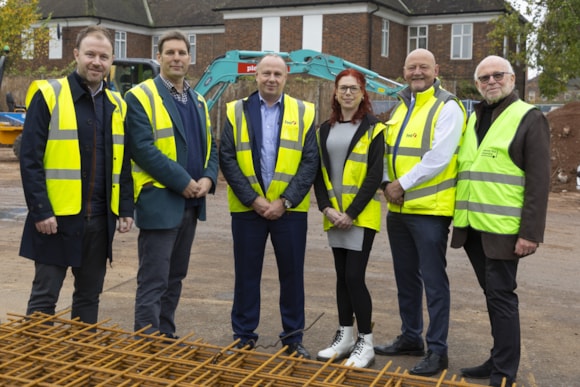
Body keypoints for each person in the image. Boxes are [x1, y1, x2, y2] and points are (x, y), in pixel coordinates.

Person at [19, 25, 134, 324]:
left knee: (88, 298)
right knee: (44, 298)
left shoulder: (116, 104)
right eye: (90, 54)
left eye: (104, 56)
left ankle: (80, 362)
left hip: (99, 221)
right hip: (55, 220)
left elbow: (122, 161)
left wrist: (125, 208)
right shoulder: (49, 95)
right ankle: (36, 364)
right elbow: (30, 160)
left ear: (111, 61)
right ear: (76, 55)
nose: (96, 62)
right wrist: (41, 210)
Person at [451, 55, 550, 387]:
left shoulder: (528, 117)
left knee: (502, 297)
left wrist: (530, 233)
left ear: (512, 79)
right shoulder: (475, 115)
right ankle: (497, 358)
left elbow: (539, 180)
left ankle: (504, 371)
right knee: (493, 296)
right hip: (475, 227)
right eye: (483, 78)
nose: (491, 81)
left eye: (497, 75)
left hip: (505, 231)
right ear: (477, 85)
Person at [374, 48, 466, 376]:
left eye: (423, 67)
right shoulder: (400, 108)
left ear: (435, 69)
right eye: (411, 66)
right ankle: (411, 337)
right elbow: (387, 151)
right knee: (406, 278)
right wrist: (386, 183)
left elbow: (439, 156)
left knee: (433, 281)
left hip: (429, 210)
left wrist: (401, 184)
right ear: (403, 71)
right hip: (398, 208)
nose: (417, 72)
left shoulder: (448, 106)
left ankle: (437, 350)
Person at [219, 53, 318, 358]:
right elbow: (227, 157)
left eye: (277, 74)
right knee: (246, 275)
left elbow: (310, 160)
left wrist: (285, 201)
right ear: (256, 76)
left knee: (292, 276)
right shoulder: (236, 111)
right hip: (249, 211)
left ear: (286, 77)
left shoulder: (304, 112)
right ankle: (244, 335)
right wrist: (254, 200)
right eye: (266, 73)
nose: (271, 79)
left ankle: (292, 338)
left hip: (289, 212)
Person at [125, 30, 218, 338]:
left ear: (189, 58)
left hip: (191, 204)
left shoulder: (199, 100)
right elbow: (142, 148)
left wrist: (207, 178)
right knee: (154, 278)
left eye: (182, 52)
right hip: (160, 202)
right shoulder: (139, 96)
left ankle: (166, 335)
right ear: (159, 57)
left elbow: (210, 147)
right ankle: (148, 341)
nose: (177, 58)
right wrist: (184, 182)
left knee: (176, 276)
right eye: (170, 52)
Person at [313, 69, 385, 368]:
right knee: (342, 277)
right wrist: (326, 208)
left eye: (354, 89)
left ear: (363, 93)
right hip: (334, 214)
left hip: (360, 216)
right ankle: (344, 337)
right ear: (335, 92)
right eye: (343, 88)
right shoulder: (323, 129)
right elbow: (317, 172)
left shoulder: (375, 128)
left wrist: (351, 213)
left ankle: (365, 342)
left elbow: (374, 175)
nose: (347, 93)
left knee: (355, 276)